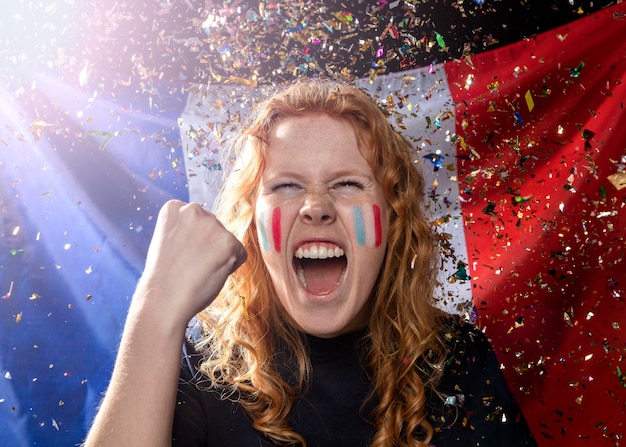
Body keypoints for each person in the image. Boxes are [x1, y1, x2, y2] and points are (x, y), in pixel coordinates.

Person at [84, 80, 537, 447]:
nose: (315, 206)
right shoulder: (205, 370)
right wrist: (155, 308)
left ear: (392, 218)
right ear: (253, 226)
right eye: (285, 187)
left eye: (345, 183)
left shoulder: (458, 359)